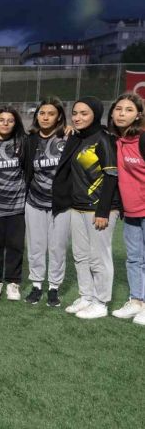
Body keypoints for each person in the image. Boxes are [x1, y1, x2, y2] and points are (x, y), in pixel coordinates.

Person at [57, 97, 119, 319]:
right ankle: (86, 297)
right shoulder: (77, 138)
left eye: (84, 113)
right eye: (75, 113)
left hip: (99, 209)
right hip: (78, 207)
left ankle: (101, 303)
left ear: (96, 114)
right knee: (81, 256)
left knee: (99, 257)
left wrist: (103, 211)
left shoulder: (103, 139)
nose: (77, 117)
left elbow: (111, 176)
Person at [23, 97, 70, 307]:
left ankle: (53, 288)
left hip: (61, 204)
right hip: (34, 201)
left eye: (51, 114)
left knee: (57, 247)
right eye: (42, 113)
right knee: (36, 246)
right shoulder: (30, 139)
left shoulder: (68, 138)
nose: (45, 117)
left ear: (59, 117)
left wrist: (73, 130)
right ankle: (36, 285)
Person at [0, 106, 27, 301]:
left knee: (16, 246)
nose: (5, 123)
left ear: (15, 123)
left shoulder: (22, 142)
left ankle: (13, 283)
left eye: (10, 120)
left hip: (17, 206)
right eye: (1, 120)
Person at [109, 93, 145, 323]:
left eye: (129, 110)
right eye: (118, 109)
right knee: (133, 258)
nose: (122, 113)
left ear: (138, 115)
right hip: (131, 211)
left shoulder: (143, 138)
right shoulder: (116, 140)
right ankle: (136, 301)